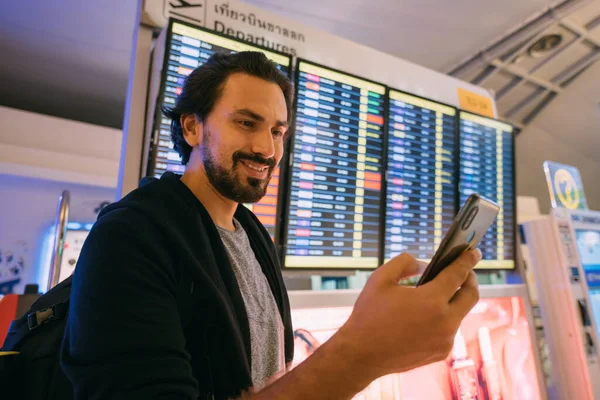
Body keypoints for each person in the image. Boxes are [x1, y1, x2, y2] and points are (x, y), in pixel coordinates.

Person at [60, 51, 481, 400]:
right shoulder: (131, 236)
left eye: (278, 131)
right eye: (246, 123)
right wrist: (362, 352)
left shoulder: (251, 232)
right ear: (192, 126)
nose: (267, 149)